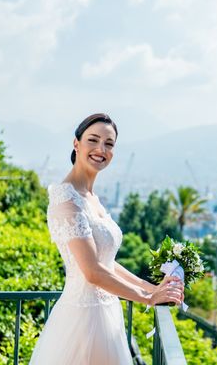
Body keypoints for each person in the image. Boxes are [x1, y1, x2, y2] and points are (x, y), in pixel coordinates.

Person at [29, 113, 183, 365]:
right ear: (76, 144)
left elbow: (106, 263)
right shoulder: (67, 199)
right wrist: (145, 298)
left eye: (109, 144)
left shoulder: (91, 198)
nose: (101, 149)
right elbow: (92, 272)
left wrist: (152, 288)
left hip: (107, 314)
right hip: (83, 320)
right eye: (93, 140)